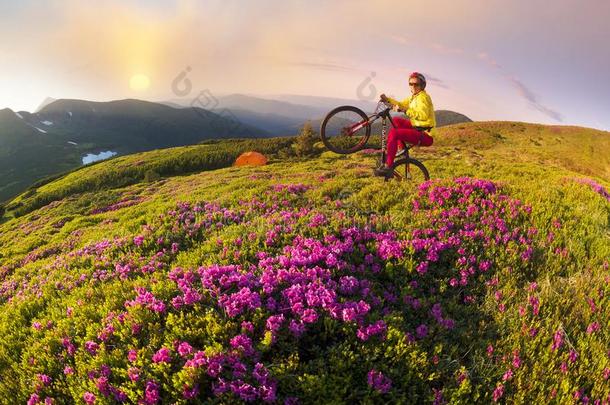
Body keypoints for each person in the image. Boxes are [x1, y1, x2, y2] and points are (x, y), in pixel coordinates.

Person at [373, 72, 436, 177]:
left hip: (425, 134)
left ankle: (388, 167)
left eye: (416, 84)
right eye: (411, 84)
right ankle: (402, 150)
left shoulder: (423, 98)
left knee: (394, 133)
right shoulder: (414, 97)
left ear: (422, 85)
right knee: (397, 121)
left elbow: (423, 115)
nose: (413, 86)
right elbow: (401, 104)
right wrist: (387, 99)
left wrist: (405, 110)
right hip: (418, 128)